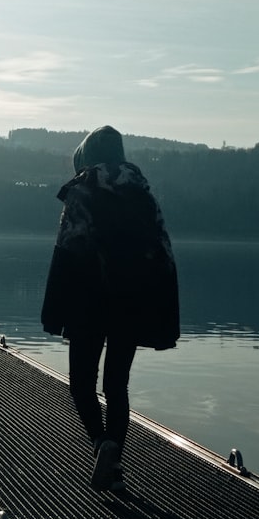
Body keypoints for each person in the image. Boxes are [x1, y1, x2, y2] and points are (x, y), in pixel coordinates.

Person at [40, 125, 179, 492]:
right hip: (133, 305)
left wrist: (53, 311)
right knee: (117, 384)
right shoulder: (143, 191)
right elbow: (164, 253)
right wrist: (165, 316)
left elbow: (65, 250)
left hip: (88, 303)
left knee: (81, 384)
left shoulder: (81, 190)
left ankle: (101, 444)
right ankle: (114, 458)